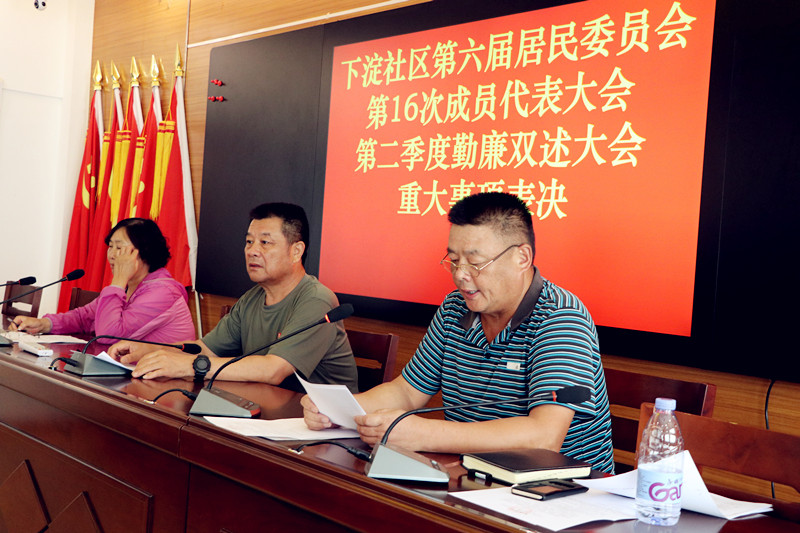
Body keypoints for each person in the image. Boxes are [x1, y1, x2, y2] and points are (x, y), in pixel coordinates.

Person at [303, 192, 615, 473]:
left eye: (475, 262)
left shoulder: (560, 316)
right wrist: (339, 411)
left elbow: (544, 437)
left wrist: (423, 433)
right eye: (453, 260)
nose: (460, 275)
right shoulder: (455, 308)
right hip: (475, 480)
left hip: (563, 494)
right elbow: (407, 391)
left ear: (522, 258)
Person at [109, 202, 358, 392]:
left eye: (265, 243)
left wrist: (191, 367)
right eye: (249, 242)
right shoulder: (252, 298)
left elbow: (274, 370)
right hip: (265, 411)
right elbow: (205, 349)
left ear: (296, 251)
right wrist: (149, 350)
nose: (252, 251)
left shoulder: (316, 300)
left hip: (324, 425)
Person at [11, 218, 195, 344]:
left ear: (144, 251)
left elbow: (108, 335)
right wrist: (44, 324)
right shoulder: (129, 287)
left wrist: (119, 280)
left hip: (165, 383)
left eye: (119, 248)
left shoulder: (164, 292)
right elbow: (83, 318)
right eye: (110, 247)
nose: (111, 255)